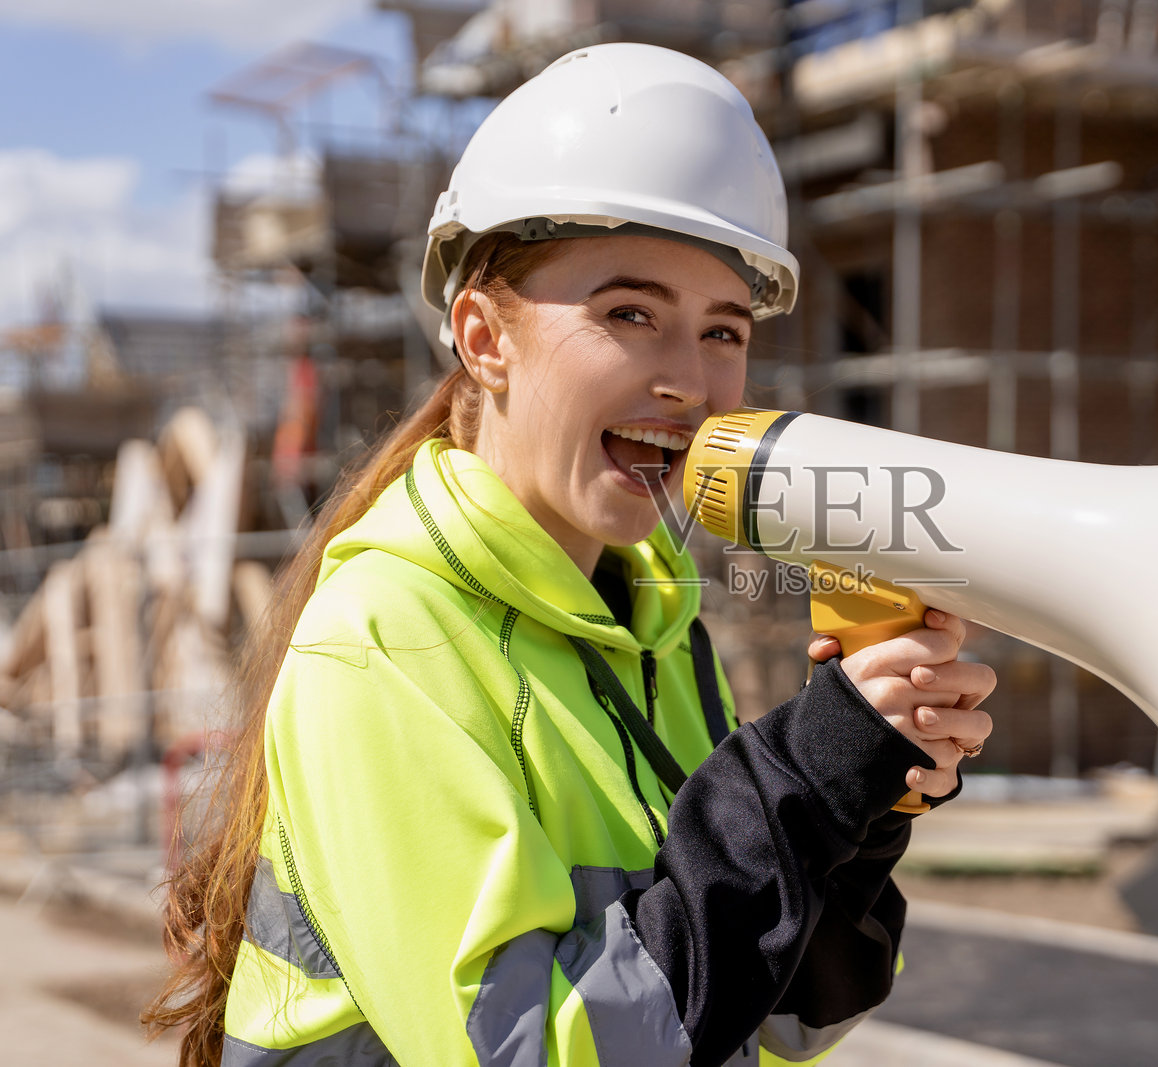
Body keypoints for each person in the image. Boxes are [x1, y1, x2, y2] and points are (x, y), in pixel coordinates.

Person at [145, 43, 995, 1067]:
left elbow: (777, 1023)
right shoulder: (382, 638)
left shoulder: (656, 623)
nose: (690, 379)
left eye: (724, 331)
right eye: (628, 313)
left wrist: (851, 808)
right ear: (481, 335)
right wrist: (796, 782)